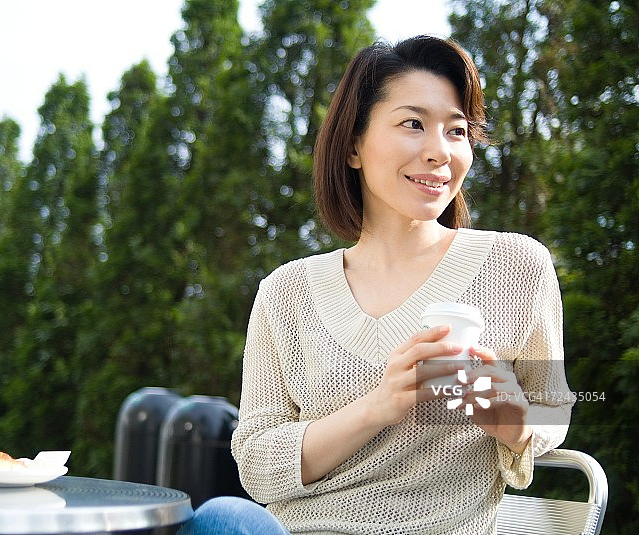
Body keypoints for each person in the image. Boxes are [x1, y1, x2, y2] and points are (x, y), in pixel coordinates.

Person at [178, 34, 573, 535]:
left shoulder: (516, 268)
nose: (440, 152)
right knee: (222, 518)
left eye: (456, 131)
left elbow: (553, 410)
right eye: (413, 124)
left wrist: (511, 420)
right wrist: (377, 407)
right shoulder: (286, 293)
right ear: (353, 146)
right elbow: (256, 464)